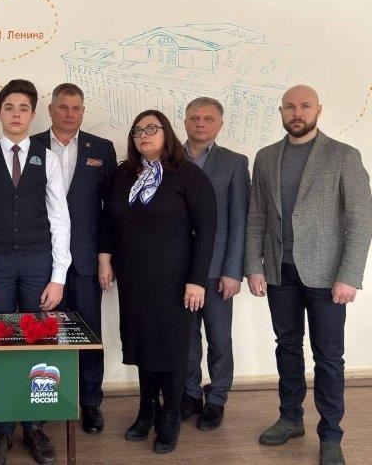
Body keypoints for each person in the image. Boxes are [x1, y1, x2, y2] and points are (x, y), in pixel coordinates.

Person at [245, 85, 372, 465]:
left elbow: (361, 221)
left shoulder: (344, 156)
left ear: (318, 110)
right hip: (279, 272)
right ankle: (290, 418)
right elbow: (256, 217)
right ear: (281, 111)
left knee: (328, 357)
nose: (297, 113)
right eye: (290, 107)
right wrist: (254, 266)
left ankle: (331, 435)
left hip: (327, 276)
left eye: (304, 106)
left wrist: (349, 275)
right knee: (286, 346)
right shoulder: (266, 157)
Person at [0, 79, 71, 465]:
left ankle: (34, 426)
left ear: (33, 114)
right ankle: (2, 430)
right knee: (0, 344)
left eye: (23, 108)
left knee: (38, 342)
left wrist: (58, 276)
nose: (16, 114)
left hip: (38, 262)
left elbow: (59, 217)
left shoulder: (48, 158)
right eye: (9, 107)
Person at [98, 109, 216, 454]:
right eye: (138, 130)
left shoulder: (187, 175)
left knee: (172, 348)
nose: (144, 135)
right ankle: (147, 409)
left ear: (167, 133)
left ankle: (170, 415)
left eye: (152, 128)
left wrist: (197, 280)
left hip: (175, 281)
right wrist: (105, 258)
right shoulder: (121, 175)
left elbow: (207, 229)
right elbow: (107, 220)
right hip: (134, 279)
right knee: (143, 344)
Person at [32, 83, 116, 434]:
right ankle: (44, 398)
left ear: (83, 111)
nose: (69, 113)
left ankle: (90, 402)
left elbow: (111, 209)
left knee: (88, 333)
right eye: (63, 107)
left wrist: (106, 258)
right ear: (50, 110)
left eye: (76, 108)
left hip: (85, 259)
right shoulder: (30, 146)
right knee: (44, 331)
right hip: (41, 260)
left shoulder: (102, 149)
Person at [180, 97, 250, 430]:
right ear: (185, 122)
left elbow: (239, 220)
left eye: (208, 118)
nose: (201, 123)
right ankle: (190, 394)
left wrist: (233, 271)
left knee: (219, 339)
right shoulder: (168, 158)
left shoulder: (234, 163)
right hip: (179, 268)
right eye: (194, 117)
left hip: (218, 269)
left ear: (220, 125)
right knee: (186, 339)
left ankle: (217, 398)